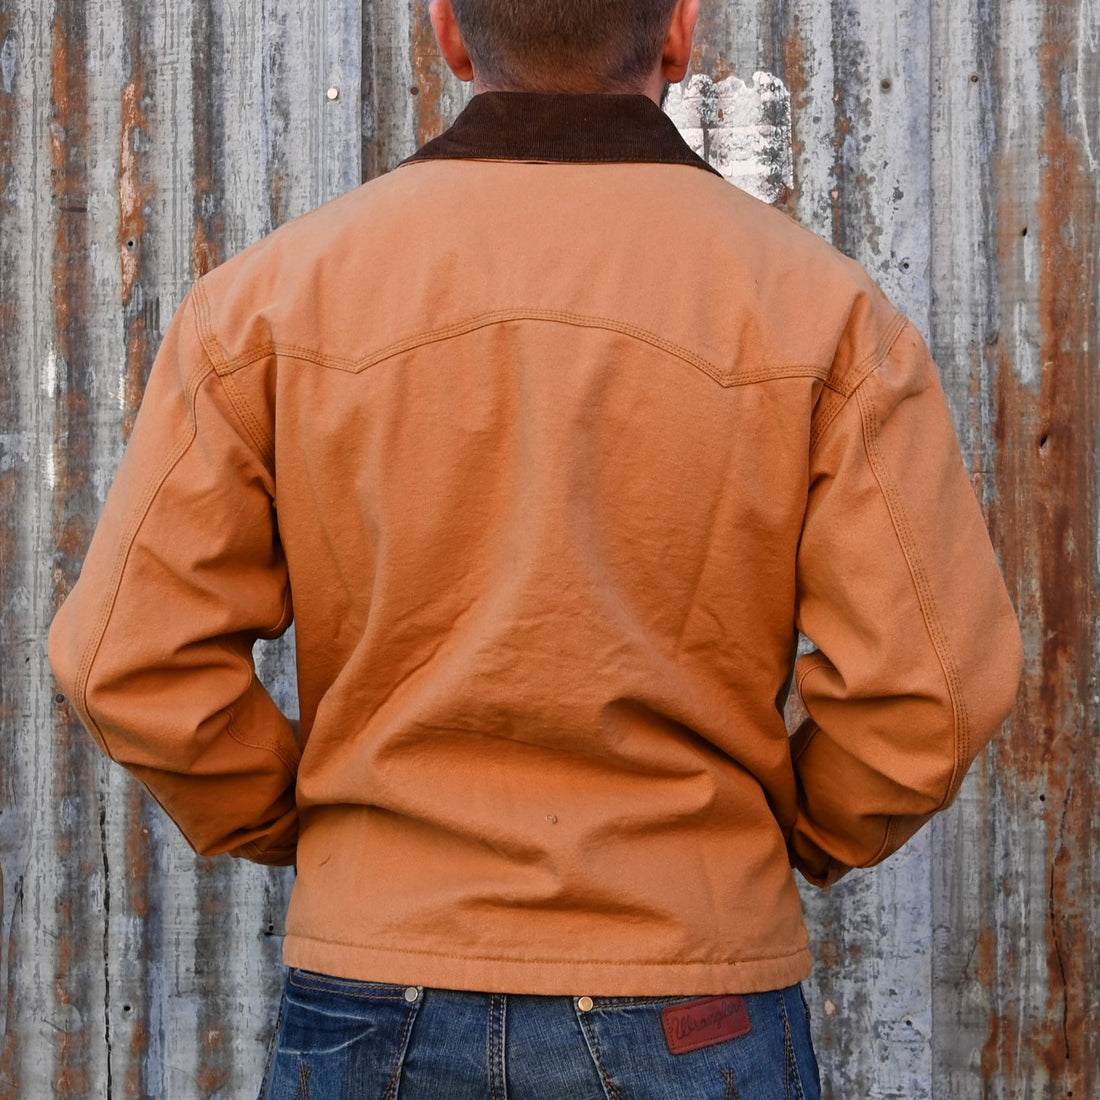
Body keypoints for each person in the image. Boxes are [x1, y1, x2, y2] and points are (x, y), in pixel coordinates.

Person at [49, 0, 1023, 1096]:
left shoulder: (265, 307)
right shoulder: (824, 314)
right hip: (694, 985)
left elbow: (128, 662)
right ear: (677, 33)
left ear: (450, 33)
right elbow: (932, 691)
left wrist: (331, 835)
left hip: (373, 977)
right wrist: (755, 844)